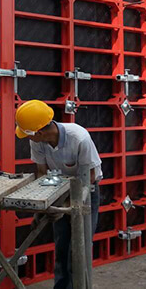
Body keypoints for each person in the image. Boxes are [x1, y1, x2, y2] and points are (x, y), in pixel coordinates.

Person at [15, 99, 102, 289]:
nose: (27, 138)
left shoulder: (79, 138)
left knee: (79, 250)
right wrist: (43, 205)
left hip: (87, 193)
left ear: (39, 132)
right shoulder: (38, 143)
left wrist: (67, 207)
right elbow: (41, 172)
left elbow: (91, 176)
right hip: (58, 193)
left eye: (28, 135)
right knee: (62, 249)